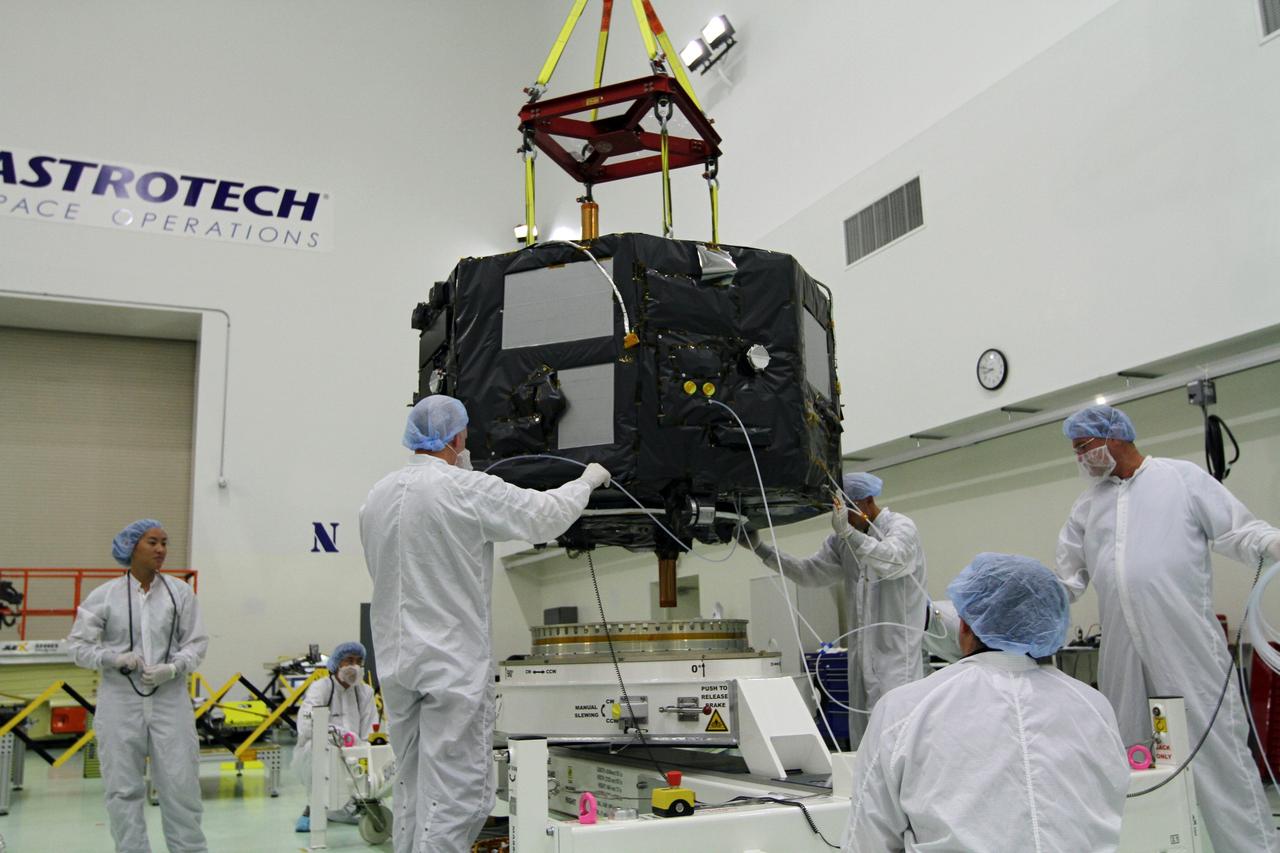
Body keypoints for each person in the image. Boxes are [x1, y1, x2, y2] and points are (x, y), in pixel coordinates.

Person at [359, 395, 611, 853]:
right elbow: (544, 517)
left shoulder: (375, 497)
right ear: (457, 437)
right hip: (449, 664)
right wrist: (588, 480)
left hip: (396, 663)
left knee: (413, 787)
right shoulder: (465, 489)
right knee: (461, 796)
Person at [1056, 403, 1280, 853]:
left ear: (1114, 438)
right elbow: (1067, 579)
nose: (1081, 459)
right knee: (1131, 759)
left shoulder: (1180, 479)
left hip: (1187, 647)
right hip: (1122, 655)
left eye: (1084, 448)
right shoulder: (1087, 507)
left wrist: (1271, 543)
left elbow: (1236, 533)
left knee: (1218, 759)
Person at [845, 553, 1128, 852]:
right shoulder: (1094, 707)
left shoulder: (905, 709)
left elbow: (867, 841)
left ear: (965, 625)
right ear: (1048, 623)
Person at [742, 472, 927, 744]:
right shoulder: (842, 541)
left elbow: (892, 560)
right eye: (837, 508)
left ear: (868, 501)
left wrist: (850, 534)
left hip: (897, 661)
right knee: (863, 739)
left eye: (846, 508)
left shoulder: (901, 527)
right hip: (861, 659)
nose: (841, 516)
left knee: (897, 735)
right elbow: (809, 573)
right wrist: (761, 549)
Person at [67, 520, 209, 853]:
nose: (161, 550)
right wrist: (112, 659)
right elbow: (78, 646)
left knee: (180, 784)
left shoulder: (180, 593)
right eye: (152, 542)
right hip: (120, 701)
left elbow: (197, 643)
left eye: (164, 543)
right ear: (131, 547)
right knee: (122, 788)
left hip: (170, 699)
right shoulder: (105, 596)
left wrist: (173, 667)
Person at [293, 641, 378, 832]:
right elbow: (306, 725)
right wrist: (338, 735)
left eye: (358, 661)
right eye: (348, 660)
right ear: (336, 663)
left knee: (374, 754)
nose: (354, 666)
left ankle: (362, 802)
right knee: (314, 750)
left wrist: (362, 746)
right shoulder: (321, 688)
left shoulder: (365, 692)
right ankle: (312, 807)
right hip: (322, 749)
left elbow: (370, 728)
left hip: (354, 751)